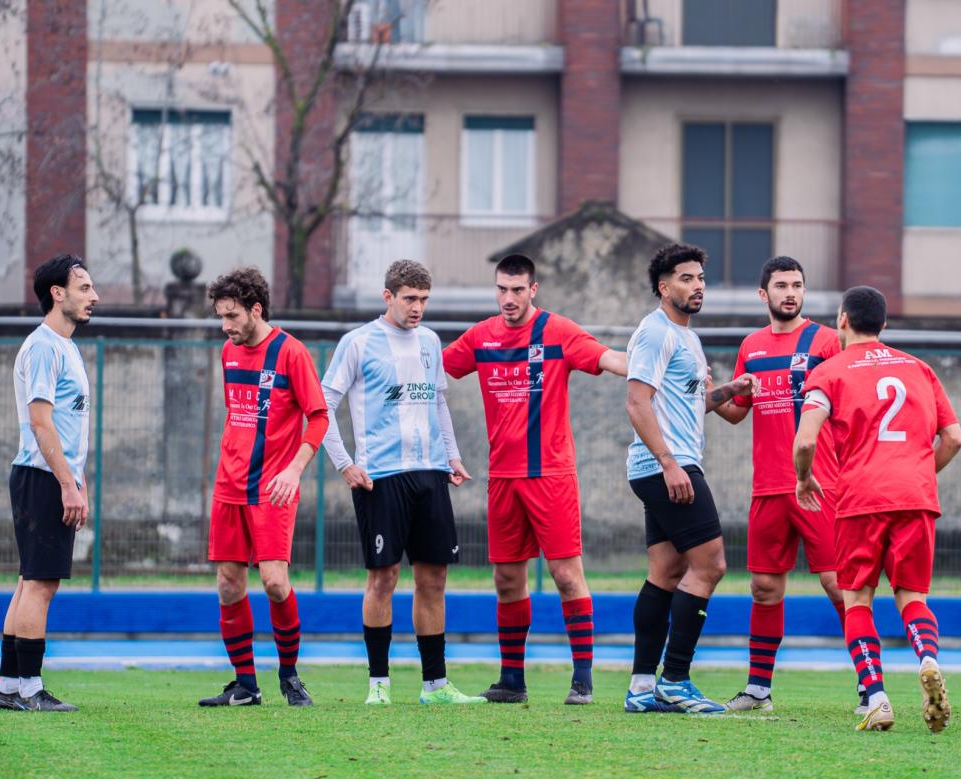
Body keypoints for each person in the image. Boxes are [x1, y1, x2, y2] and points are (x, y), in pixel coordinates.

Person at [442, 254, 627, 705]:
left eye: (517, 290)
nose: (508, 299)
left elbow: (607, 358)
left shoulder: (558, 332)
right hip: (503, 478)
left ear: (533, 290)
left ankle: (582, 679)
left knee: (567, 576)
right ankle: (512, 681)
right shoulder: (480, 337)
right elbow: (431, 370)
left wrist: (662, 369)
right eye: (502, 290)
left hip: (551, 476)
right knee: (507, 579)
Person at [794, 285, 961, 732]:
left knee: (857, 600)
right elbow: (954, 438)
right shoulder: (920, 369)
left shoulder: (829, 373)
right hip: (916, 497)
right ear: (884, 324)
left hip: (859, 499)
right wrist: (921, 474)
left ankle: (878, 698)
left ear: (842, 321)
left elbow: (807, 437)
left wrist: (803, 477)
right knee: (911, 597)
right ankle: (927, 658)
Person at [321, 260, 484, 706]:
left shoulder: (430, 342)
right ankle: (379, 684)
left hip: (430, 475)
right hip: (381, 479)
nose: (418, 308)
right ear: (388, 296)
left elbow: (439, 405)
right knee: (384, 578)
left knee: (433, 579)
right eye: (410, 298)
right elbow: (322, 406)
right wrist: (345, 464)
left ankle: (435, 685)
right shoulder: (357, 343)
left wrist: (451, 455)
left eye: (424, 300)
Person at [710, 256, 857, 713]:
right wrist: (719, 391)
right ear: (764, 294)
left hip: (818, 486)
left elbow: (851, 402)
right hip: (768, 489)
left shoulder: (828, 341)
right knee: (764, 589)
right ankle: (758, 691)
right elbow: (737, 412)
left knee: (839, 585)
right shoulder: (751, 345)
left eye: (797, 285)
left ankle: (868, 686)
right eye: (781, 285)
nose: (790, 292)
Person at [622, 243, 755, 714]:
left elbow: (686, 406)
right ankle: (675, 679)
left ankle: (641, 690)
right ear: (664, 287)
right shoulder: (656, 333)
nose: (696, 286)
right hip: (668, 467)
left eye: (700, 278)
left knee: (666, 572)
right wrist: (669, 463)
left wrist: (728, 392)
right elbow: (637, 403)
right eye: (685, 278)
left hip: (665, 464)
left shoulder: (688, 340)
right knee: (712, 564)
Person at [198, 268, 329, 708]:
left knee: (274, 583)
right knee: (229, 585)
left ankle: (290, 677)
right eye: (221, 317)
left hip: (272, 490)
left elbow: (319, 417)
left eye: (232, 316)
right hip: (228, 488)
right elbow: (240, 418)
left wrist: (293, 470)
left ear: (256, 309)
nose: (226, 326)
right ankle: (245, 685)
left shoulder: (291, 353)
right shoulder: (228, 353)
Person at [0, 254, 99, 712]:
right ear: (58, 293)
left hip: (50, 476)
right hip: (41, 477)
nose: (93, 296)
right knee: (40, 584)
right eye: (84, 287)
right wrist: (66, 484)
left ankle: (9, 687)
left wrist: (81, 480)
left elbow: (72, 424)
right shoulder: (43, 347)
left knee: (28, 582)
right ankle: (30, 690)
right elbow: (41, 423)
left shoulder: (66, 346)